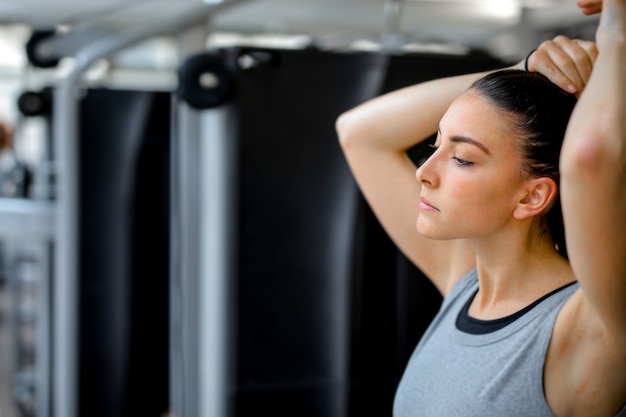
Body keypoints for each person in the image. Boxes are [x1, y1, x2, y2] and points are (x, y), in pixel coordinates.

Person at [335, 0, 626, 415]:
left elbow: (591, 161)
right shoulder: (465, 284)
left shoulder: (582, 329)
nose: (424, 172)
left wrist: (617, 28)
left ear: (532, 196)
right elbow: (358, 133)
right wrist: (525, 71)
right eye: (437, 144)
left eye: (463, 158)